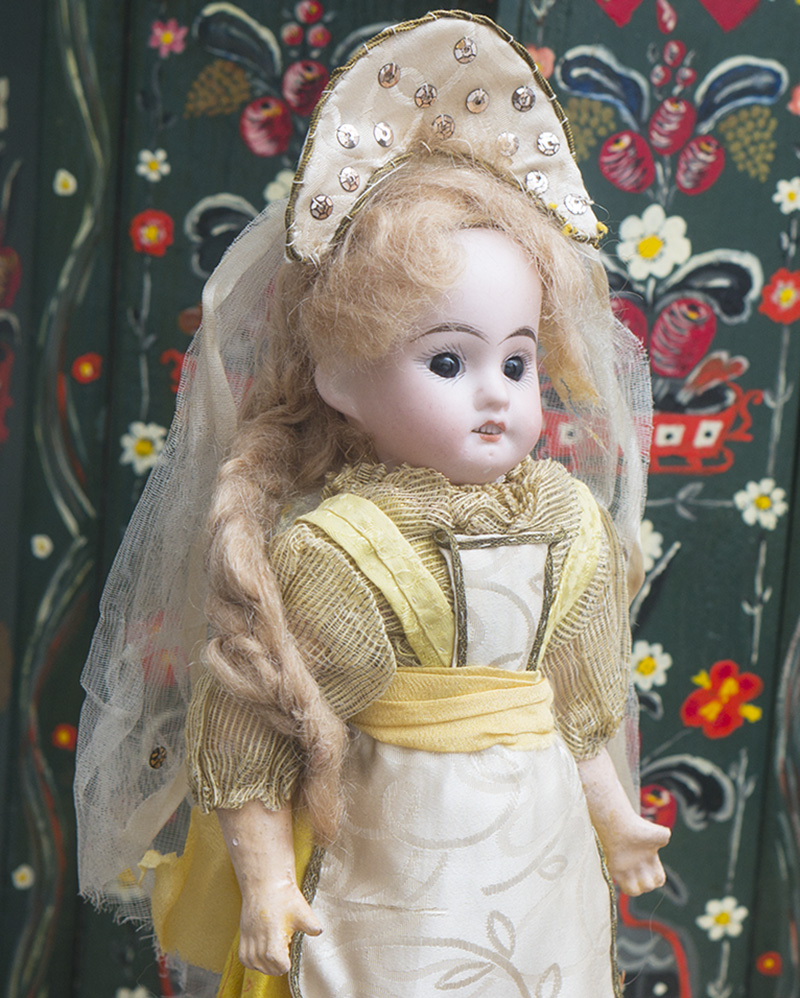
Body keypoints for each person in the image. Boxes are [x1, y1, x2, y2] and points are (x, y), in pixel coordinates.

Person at [75, 12, 667, 998]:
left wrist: (613, 818)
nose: (495, 394)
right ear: (341, 377)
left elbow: (572, 704)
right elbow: (256, 726)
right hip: (396, 842)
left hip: (539, 848)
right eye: (448, 361)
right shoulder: (340, 547)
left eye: (517, 361)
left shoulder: (565, 522)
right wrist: (267, 878)